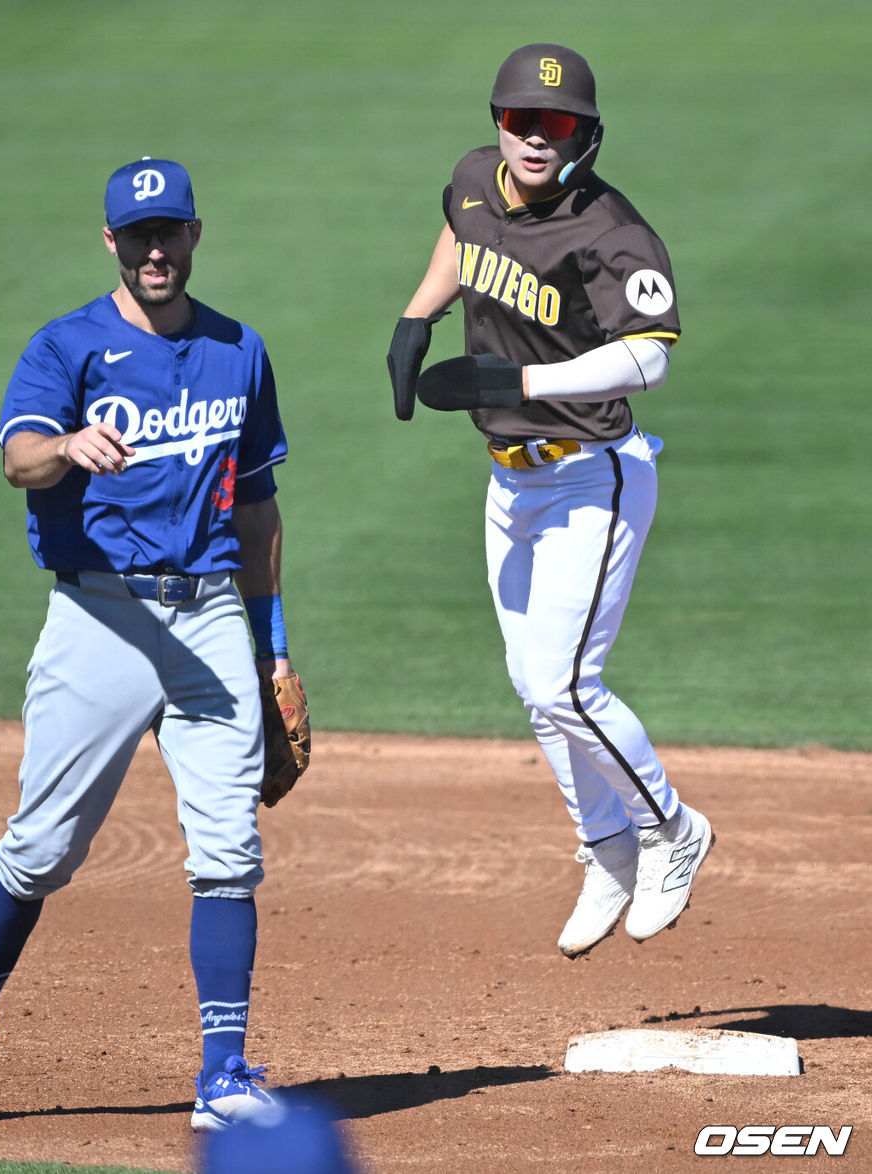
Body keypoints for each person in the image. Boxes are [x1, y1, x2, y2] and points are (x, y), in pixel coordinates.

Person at [0, 156, 308, 1130]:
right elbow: (17, 458)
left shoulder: (237, 351)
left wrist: (272, 648)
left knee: (227, 850)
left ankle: (222, 1075)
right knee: (42, 848)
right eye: (137, 236)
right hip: (99, 615)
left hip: (212, 614)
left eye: (169, 232)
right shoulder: (66, 348)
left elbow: (259, 512)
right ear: (111, 242)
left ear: (193, 235)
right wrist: (66, 448)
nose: (154, 250)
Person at [387, 44, 713, 959]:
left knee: (569, 681)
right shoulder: (472, 181)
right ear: (495, 121)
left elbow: (651, 354)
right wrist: (419, 314)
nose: (534, 136)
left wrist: (523, 376)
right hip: (509, 482)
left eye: (556, 124)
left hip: (593, 473)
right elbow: (461, 230)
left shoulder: (613, 231)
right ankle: (607, 846)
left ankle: (672, 831)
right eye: (520, 119)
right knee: (536, 688)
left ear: (587, 134)